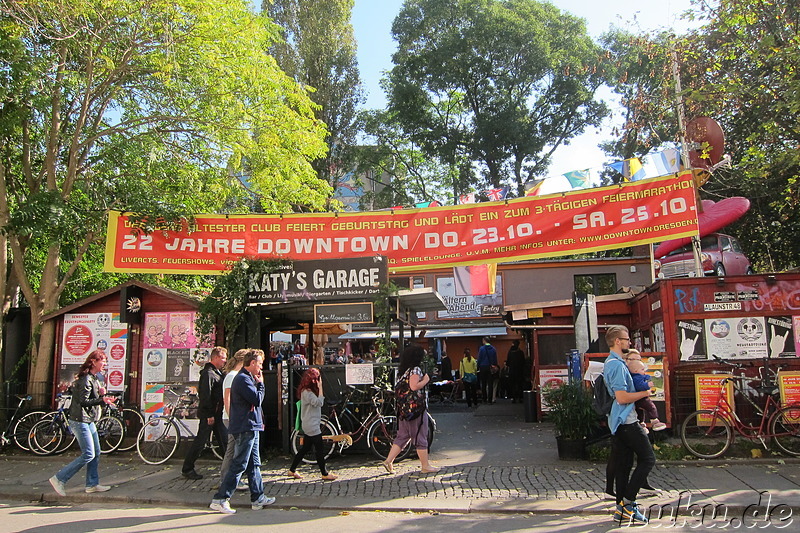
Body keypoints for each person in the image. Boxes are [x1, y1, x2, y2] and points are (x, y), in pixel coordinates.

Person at [210, 349, 274, 514]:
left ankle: (258, 497)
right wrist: (261, 384)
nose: (261, 367)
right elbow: (257, 399)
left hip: (252, 425)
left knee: (254, 464)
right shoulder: (243, 379)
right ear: (252, 363)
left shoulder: (247, 378)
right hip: (246, 426)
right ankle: (220, 498)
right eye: (259, 363)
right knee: (240, 463)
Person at [603, 326, 655, 524]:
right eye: (626, 339)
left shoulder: (616, 363)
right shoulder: (615, 365)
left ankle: (621, 511)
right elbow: (622, 397)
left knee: (624, 466)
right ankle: (629, 502)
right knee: (648, 459)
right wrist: (645, 394)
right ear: (617, 341)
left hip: (619, 421)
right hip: (626, 421)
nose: (629, 343)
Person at [49, 350, 117, 496]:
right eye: (103, 361)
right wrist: (101, 399)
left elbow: (93, 399)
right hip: (79, 420)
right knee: (88, 454)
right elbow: (83, 401)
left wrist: (103, 397)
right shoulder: (86, 379)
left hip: (88, 419)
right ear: (93, 362)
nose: (104, 363)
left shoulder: (94, 378)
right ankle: (59, 479)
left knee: (96, 452)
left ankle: (92, 484)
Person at [380, 344, 439, 474]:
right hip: (415, 409)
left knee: (402, 436)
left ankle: (388, 460)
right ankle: (425, 466)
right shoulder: (415, 370)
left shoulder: (403, 371)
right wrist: (425, 380)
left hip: (404, 410)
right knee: (420, 435)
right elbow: (414, 386)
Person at [182, 346, 228, 480]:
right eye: (223, 358)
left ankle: (231, 467)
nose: (225, 361)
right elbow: (205, 395)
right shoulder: (208, 373)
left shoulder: (216, 372)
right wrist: (209, 415)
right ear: (216, 358)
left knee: (224, 440)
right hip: (210, 414)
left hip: (216, 413)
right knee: (200, 441)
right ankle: (187, 468)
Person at [286, 368, 337, 481]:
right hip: (312, 425)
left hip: (309, 424)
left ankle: (292, 470)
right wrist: (321, 388)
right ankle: (324, 473)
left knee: (305, 449)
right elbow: (319, 402)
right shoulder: (308, 393)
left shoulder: (305, 391)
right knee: (319, 450)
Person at [220, 348, 248, 490]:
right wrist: (233, 418)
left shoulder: (234, 375)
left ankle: (228, 478)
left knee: (233, 449)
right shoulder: (232, 376)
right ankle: (228, 479)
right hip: (231, 418)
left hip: (233, 417)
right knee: (234, 449)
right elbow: (227, 398)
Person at [628, 360, 667, 432]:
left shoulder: (633, 377)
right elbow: (639, 386)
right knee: (651, 407)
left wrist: (647, 377)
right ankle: (655, 421)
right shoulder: (637, 378)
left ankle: (641, 424)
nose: (644, 371)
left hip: (635, 399)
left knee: (640, 412)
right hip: (642, 398)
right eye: (642, 369)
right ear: (636, 371)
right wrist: (647, 385)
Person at [477, 337, 498, 404]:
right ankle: (490, 400)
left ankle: (484, 399)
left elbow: (479, 358)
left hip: (483, 367)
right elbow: (495, 359)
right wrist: (494, 365)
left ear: (484, 341)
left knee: (483, 383)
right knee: (490, 384)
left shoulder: (481, 349)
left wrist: (478, 366)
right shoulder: (493, 349)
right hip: (490, 367)